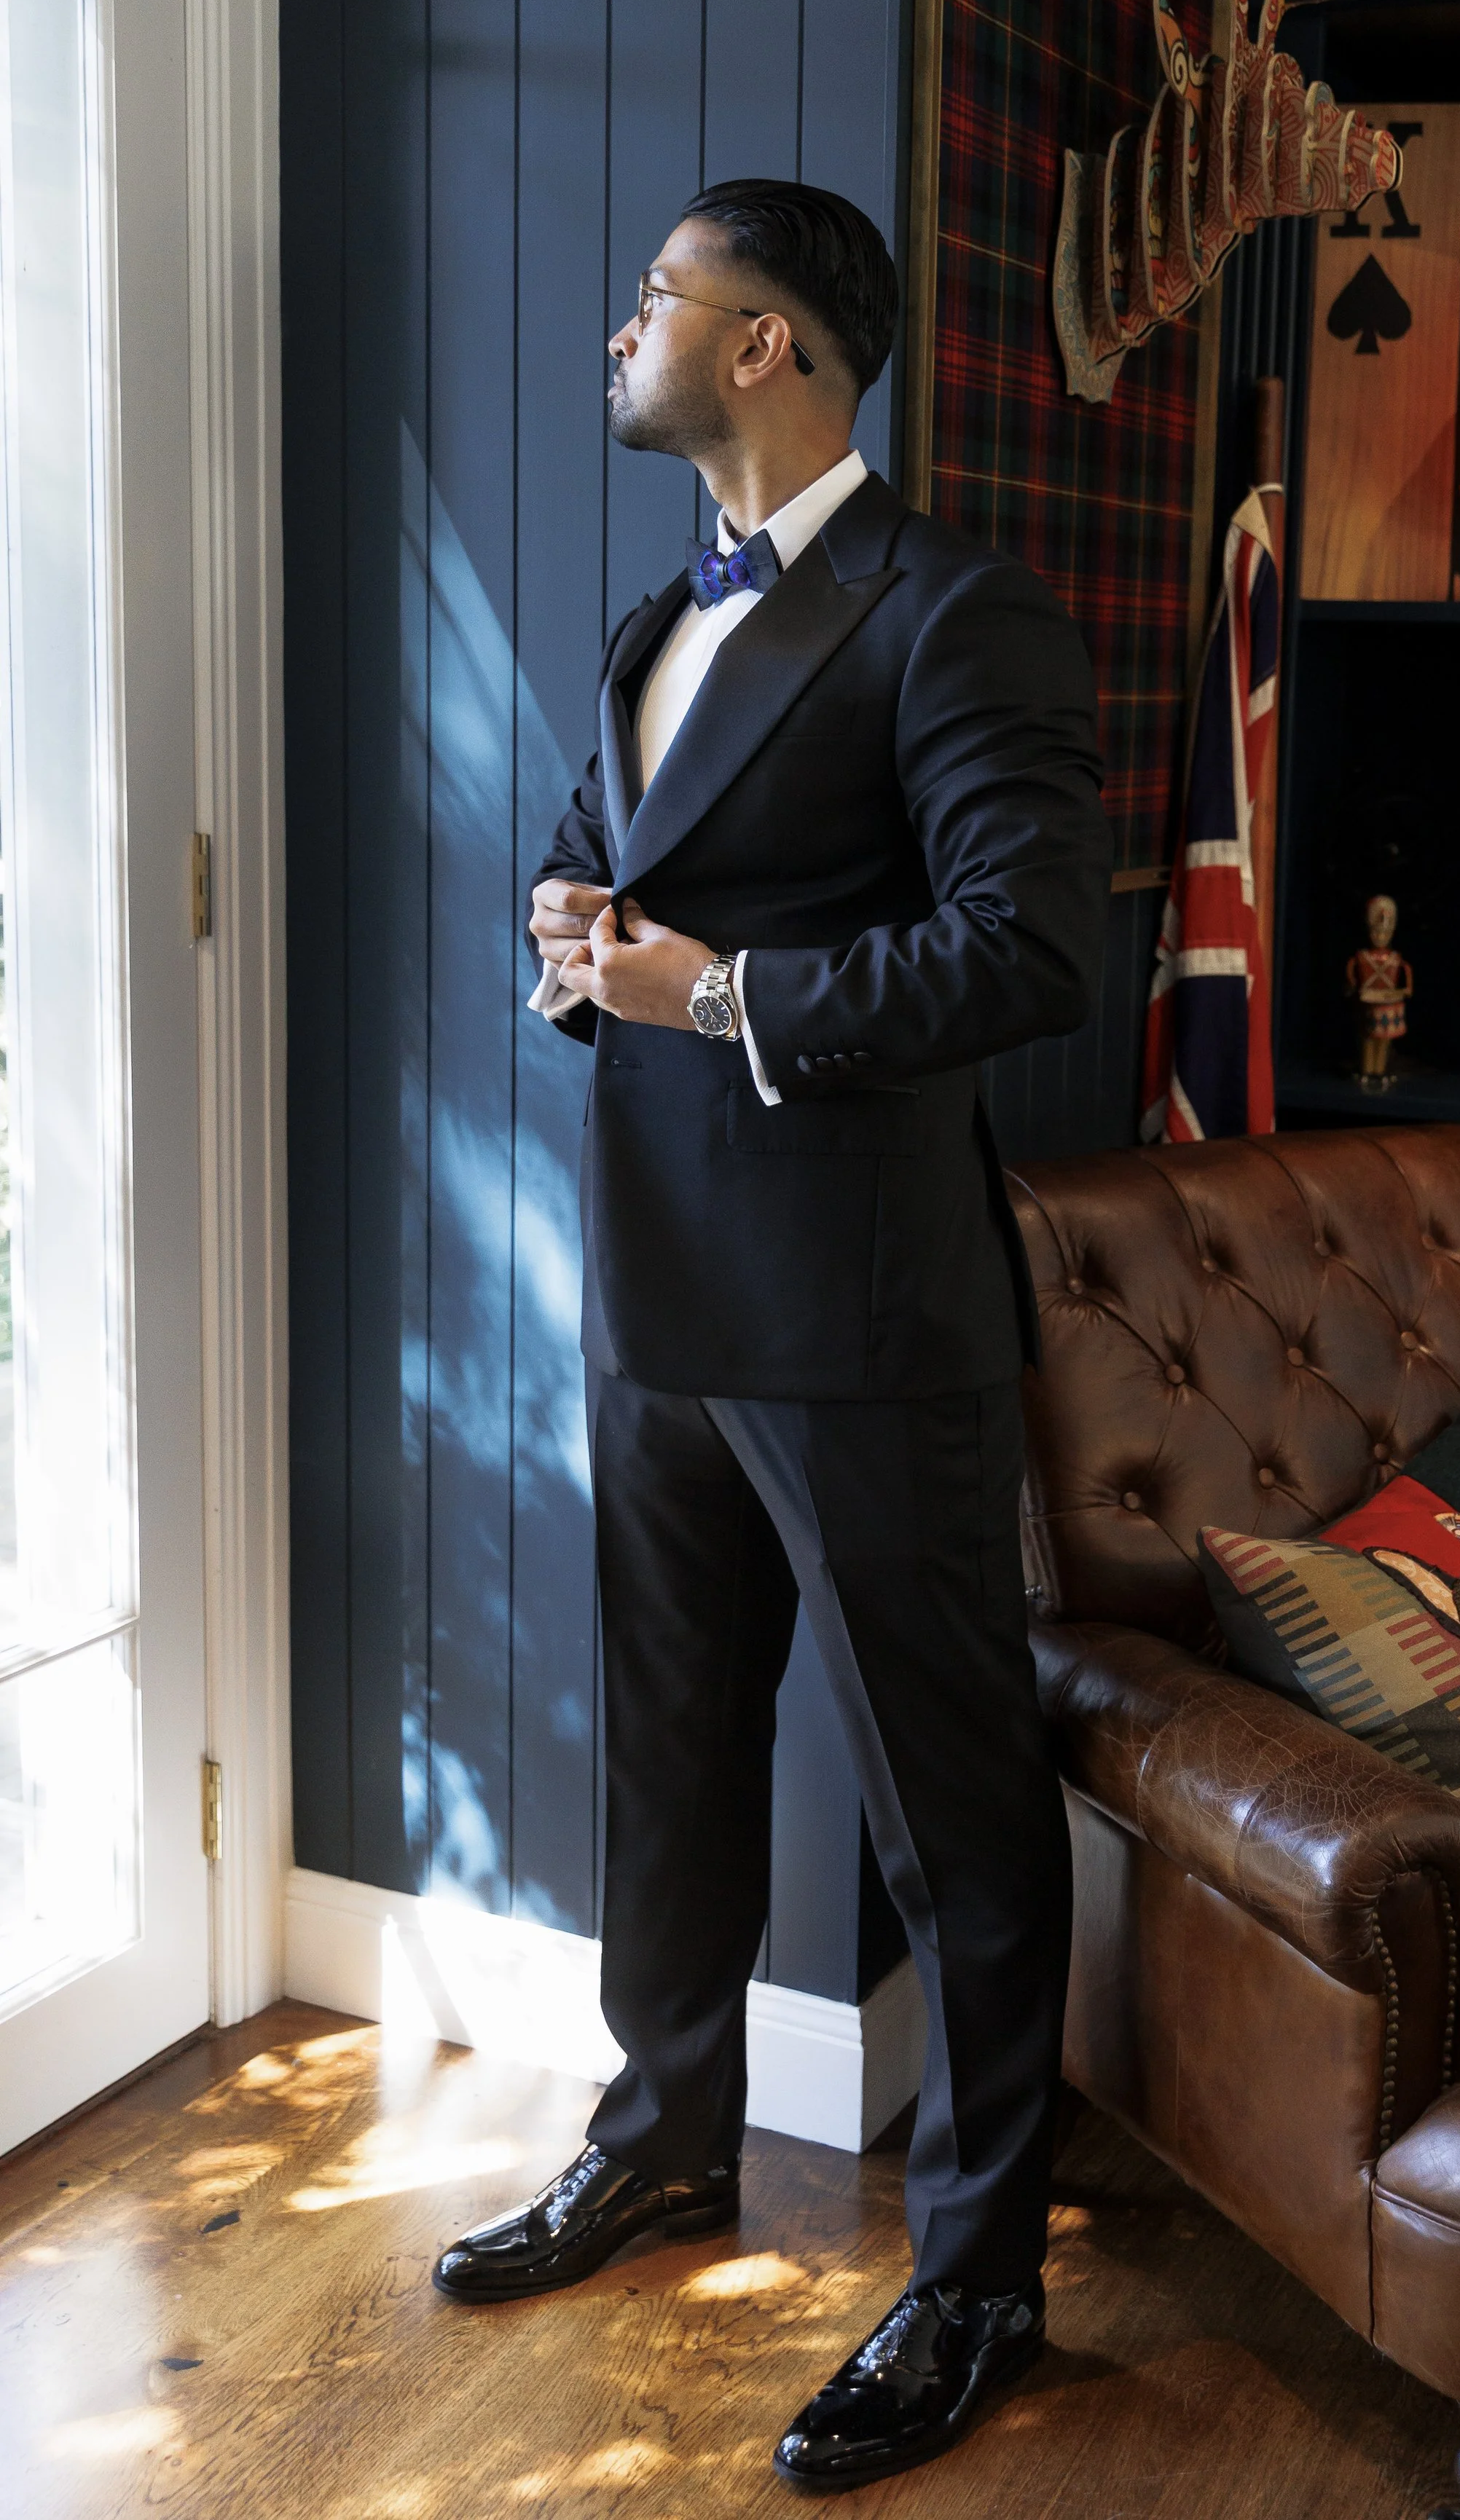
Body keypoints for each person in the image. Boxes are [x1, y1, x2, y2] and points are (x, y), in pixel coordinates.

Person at [431, 178, 1111, 2492]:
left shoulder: (954, 612)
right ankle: (663, 2134)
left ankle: (979, 2272)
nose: (621, 323)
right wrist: (567, 932)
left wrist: (716, 991)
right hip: (653, 1289)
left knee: (948, 1804)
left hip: (863, 1316)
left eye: (660, 295)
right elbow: (601, 862)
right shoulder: (660, 609)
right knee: (673, 1751)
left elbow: (1033, 947)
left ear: (765, 347)